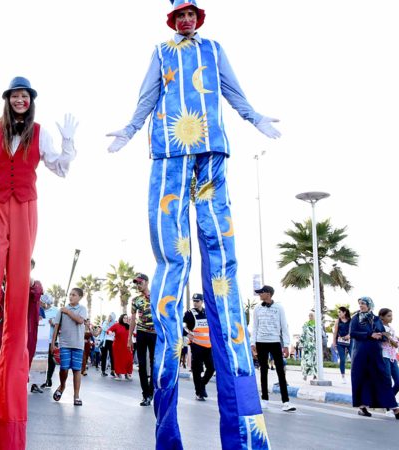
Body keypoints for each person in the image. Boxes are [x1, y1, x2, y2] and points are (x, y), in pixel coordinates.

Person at [107, 1, 281, 447]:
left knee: (222, 268)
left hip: (212, 152)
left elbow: (231, 89)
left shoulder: (214, 49)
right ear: (172, 19)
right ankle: (168, 435)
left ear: (198, 18)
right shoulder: (162, 52)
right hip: (169, 152)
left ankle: (246, 436)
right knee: (171, 265)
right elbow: (148, 95)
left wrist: (253, 116)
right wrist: (130, 128)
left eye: (191, 14)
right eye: (180, 14)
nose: (186, 20)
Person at [0, 75, 77, 449]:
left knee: (16, 306)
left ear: (30, 100)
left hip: (25, 207)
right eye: (15, 95)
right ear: (8, 100)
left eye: (25, 96)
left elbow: (60, 167)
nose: (20, 100)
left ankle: (8, 422)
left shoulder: (39, 134)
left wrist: (69, 141)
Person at [349, 297, 399, 419]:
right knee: (362, 380)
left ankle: (394, 407)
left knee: (383, 379)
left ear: (370, 305)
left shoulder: (376, 319)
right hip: (360, 354)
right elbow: (353, 333)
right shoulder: (356, 318)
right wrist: (370, 334)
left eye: (363, 303)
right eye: (360, 303)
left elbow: (382, 334)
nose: (361, 305)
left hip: (375, 353)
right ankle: (362, 407)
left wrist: (381, 336)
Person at [251, 285, 295, 412]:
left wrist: (286, 345)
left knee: (280, 371)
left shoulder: (279, 307)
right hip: (261, 342)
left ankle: (286, 402)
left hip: (275, 341)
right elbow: (255, 327)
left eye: (261, 293)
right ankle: (264, 399)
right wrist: (252, 343)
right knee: (263, 370)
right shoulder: (257, 308)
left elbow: (284, 327)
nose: (259, 294)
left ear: (268, 294)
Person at [51, 288, 88, 406]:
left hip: (78, 344)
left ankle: (76, 395)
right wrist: (53, 343)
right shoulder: (61, 310)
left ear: (80, 297)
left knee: (77, 370)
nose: (71, 297)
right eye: (70, 295)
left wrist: (68, 312)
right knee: (64, 368)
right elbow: (56, 327)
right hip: (64, 344)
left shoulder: (82, 309)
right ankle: (62, 386)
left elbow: (80, 320)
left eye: (74, 295)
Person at [130, 273, 156, 406]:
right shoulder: (135, 300)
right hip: (141, 332)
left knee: (154, 363)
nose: (138, 285)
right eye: (136, 283)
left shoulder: (156, 295)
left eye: (140, 282)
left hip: (155, 333)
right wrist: (130, 338)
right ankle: (145, 395)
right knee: (142, 364)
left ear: (146, 282)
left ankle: (152, 392)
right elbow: (133, 319)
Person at [183, 293, 214, 400]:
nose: (195, 303)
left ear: (202, 301)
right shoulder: (189, 314)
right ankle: (199, 393)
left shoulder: (208, 312)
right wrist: (187, 334)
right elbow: (181, 326)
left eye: (197, 301)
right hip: (196, 346)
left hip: (209, 346)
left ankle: (201, 385)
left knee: (211, 368)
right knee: (197, 370)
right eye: (194, 301)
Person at [27, 260, 44, 392]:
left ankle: (25, 376)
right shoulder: (9, 280)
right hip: (10, 325)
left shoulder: (36, 283)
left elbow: (36, 294)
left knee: (28, 350)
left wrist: (30, 282)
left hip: (29, 327)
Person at [377, 308, 399, 398]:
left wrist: (393, 339)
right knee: (387, 381)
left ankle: (388, 399)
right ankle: (388, 403)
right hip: (384, 356)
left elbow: (395, 342)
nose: (391, 318)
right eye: (389, 316)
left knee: (398, 381)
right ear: (381, 317)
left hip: (392, 357)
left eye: (391, 315)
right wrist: (392, 340)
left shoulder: (390, 328)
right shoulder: (380, 328)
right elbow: (394, 344)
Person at [40, 294, 58, 388]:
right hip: (41, 340)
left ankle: (48, 378)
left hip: (52, 339)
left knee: (51, 361)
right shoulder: (39, 309)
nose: (41, 304)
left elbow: (60, 324)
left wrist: (54, 322)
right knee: (41, 360)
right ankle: (41, 379)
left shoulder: (56, 311)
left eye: (43, 303)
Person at [109, 314, 133, 380]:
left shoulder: (129, 326)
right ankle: (118, 374)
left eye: (126, 318)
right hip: (118, 346)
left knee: (129, 360)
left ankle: (127, 374)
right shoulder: (117, 325)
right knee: (118, 360)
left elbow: (131, 335)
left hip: (127, 346)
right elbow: (109, 330)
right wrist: (110, 332)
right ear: (121, 318)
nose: (126, 319)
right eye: (124, 318)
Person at [332, 306, 352, 382]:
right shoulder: (337, 321)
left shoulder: (351, 320)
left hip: (350, 341)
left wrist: (349, 335)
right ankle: (343, 376)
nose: (338, 313)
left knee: (353, 358)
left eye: (340, 312)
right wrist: (334, 342)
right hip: (340, 342)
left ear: (344, 312)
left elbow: (353, 330)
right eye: (338, 312)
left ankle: (354, 374)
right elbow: (335, 332)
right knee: (342, 359)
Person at [299, 312, 317, 381]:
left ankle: (315, 375)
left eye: (311, 315)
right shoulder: (306, 324)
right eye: (309, 315)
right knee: (305, 360)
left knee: (314, 360)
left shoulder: (317, 325)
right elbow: (303, 334)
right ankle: (305, 375)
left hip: (314, 345)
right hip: (307, 345)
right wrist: (301, 343)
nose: (310, 317)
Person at [100, 312, 116, 377]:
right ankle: (103, 371)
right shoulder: (105, 322)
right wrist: (107, 323)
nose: (110, 318)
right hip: (105, 341)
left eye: (111, 316)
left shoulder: (115, 323)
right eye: (109, 316)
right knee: (104, 356)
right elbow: (104, 329)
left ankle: (113, 370)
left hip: (112, 341)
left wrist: (111, 331)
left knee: (112, 356)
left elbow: (114, 331)